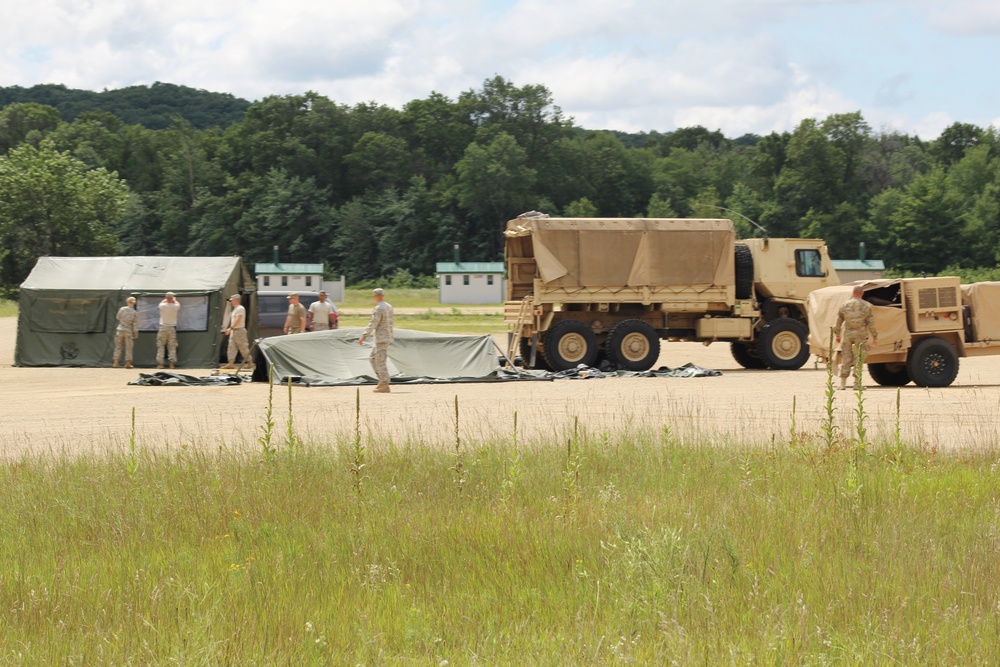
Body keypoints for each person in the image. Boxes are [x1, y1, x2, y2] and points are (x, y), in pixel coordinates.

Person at [835, 285, 878, 390]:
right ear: (862, 294)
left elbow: (839, 321)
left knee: (846, 357)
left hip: (848, 334)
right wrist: (875, 337)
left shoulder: (844, 305)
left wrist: (837, 334)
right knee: (859, 358)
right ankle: (856, 383)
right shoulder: (866, 306)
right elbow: (871, 323)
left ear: (852, 293)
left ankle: (843, 383)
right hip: (861, 334)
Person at [358, 287, 394, 393]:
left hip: (381, 339)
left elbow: (374, 323)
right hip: (386, 336)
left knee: (380, 361)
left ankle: (384, 383)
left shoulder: (379, 308)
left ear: (376, 296)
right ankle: (381, 381)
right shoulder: (389, 306)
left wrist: (364, 335)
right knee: (373, 358)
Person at [222, 294, 253, 370]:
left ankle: (250, 362)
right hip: (234, 331)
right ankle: (231, 363)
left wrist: (230, 328)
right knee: (231, 347)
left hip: (239, 330)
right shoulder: (235, 309)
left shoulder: (240, 308)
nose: (231, 302)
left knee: (243, 347)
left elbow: (238, 319)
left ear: (236, 300)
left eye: (231, 300)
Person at [156, 291, 181, 369]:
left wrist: (166, 300)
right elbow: (177, 303)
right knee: (172, 347)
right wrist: (174, 300)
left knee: (161, 346)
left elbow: (161, 303)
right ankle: (172, 364)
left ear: (166, 298)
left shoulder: (162, 305)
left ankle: (160, 364)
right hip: (171, 328)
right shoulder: (176, 306)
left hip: (163, 327)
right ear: (172, 298)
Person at [112, 296, 138, 369]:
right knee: (128, 347)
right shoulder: (134, 312)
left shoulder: (122, 309)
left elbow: (117, 317)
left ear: (127, 302)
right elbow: (135, 324)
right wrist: (135, 333)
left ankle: (116, 362)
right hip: (128, 331)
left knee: (118, 346)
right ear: (134, 303)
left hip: (120, 329)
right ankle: (128, 363)